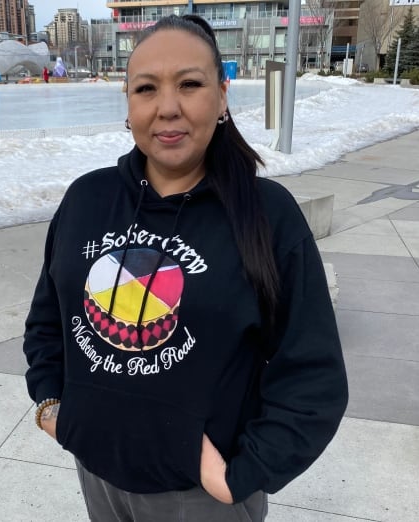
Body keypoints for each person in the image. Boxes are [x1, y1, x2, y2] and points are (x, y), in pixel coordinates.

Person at [23, 14, 348, 521]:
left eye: (190, 85)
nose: (167, 108)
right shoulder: (87, 199)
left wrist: (238, 476)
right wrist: (55, 412)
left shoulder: (267, 215)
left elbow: (312, 375)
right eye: (147, 88)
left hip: (200, 499)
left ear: (222, 96)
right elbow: (48, 322)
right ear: (128, 104)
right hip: (98, 477)